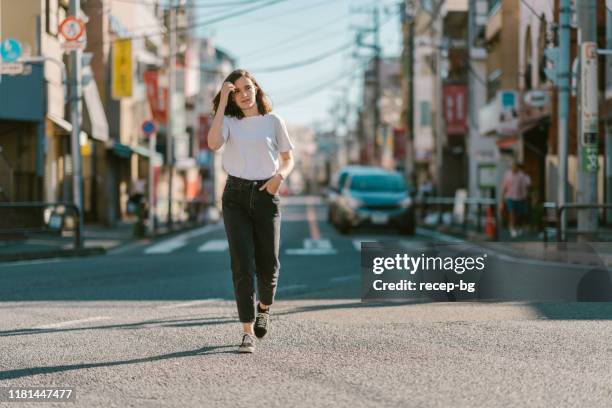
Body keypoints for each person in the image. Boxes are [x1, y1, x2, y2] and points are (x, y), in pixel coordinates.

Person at [207, 69, 295, 353]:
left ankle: (264, 307)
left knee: (269, 265)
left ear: (256, 89)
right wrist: (221, 101)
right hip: (234, 196)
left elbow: (287, 158)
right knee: (242, 265)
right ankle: (246, 331)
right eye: (236, 92)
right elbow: (213, 143)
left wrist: (278, 178)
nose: (243, 95)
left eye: (247, 88)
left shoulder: (273, 121)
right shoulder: (229, 122)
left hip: (266, 194)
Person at [501, 162, 531, 238]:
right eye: (513, 167)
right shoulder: (507, 174)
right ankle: (512, 228)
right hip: (510, 197)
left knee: (518, 214)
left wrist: (525, 196)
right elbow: (504, 186)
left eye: (515, 167)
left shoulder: (521, 175)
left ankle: (516, 226)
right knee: (512, 213)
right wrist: (502, 197)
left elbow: (525, 186)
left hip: (520, 197)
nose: (514, 168)